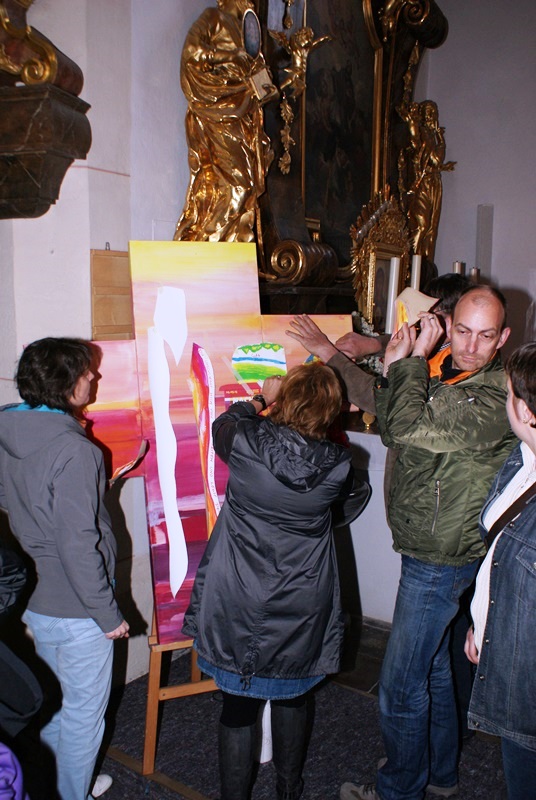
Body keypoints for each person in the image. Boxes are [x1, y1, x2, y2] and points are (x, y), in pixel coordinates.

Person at [182, 363, 370, 800]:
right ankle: (289, 789)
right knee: (293, 692)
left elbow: (223, 423)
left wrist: (261, 399)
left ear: (286, 401)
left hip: (237, 588)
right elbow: (344, 502)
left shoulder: (245, 441)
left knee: (237, 705)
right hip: (303, 592)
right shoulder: (340, 465)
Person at [0, 338, 129, 800]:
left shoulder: (8, 427)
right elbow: (78, 545)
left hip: (35, 596)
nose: (94, 377)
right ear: (66, 383)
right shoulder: (76, 451)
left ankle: (54, 787)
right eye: (86, 371)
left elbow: (11, 497)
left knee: (54, 704)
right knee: (82, 718)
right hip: (78, 606)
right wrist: (107, 614)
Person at [465, 341, 536, 799]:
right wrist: (482, 624)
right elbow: (501, 554)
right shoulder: (521, 457)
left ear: (525, 410)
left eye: (508, 393)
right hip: (506, 646)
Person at [173, 0, 276, 243]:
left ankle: (227, 250)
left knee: (248, 187)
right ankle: (210, 248)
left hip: (241, 112)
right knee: (238, 186)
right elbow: (192, 51)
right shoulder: (214, 17)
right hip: (218, 108)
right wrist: (230, 55)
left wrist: (264, 83)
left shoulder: (245, 29)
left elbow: (254, 72)